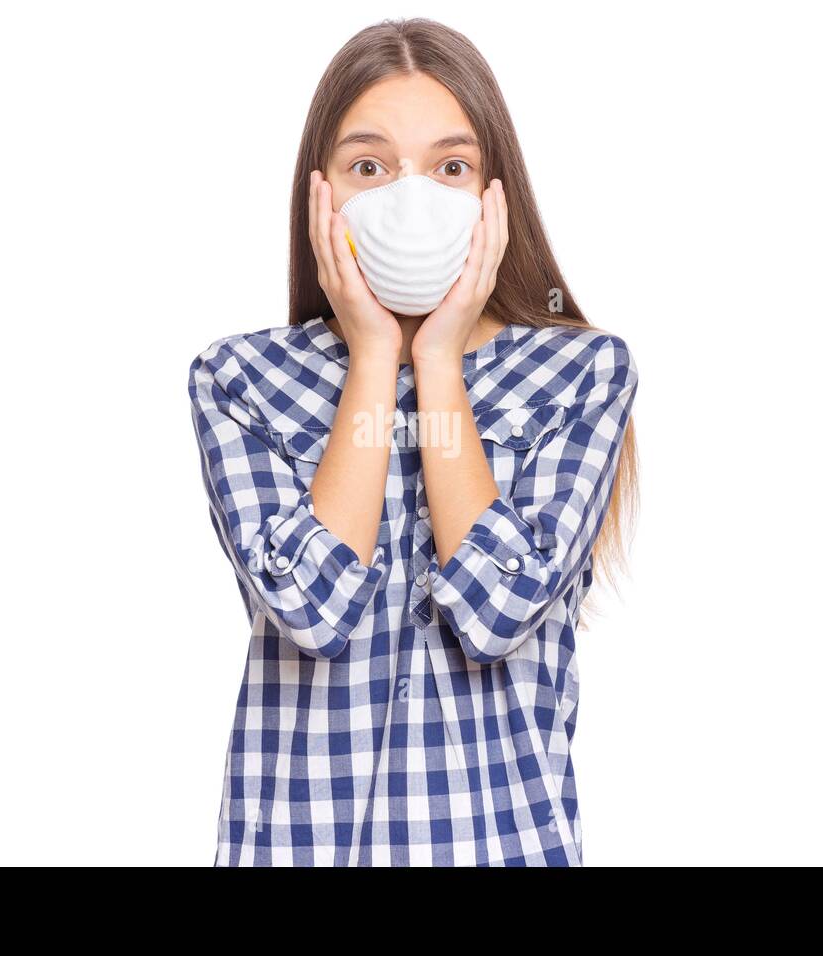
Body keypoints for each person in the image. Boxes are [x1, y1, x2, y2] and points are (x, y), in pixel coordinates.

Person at [188, 17, 639, 866]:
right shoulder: (239, 380)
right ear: (321, 194)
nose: (410, 195)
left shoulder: (581, 373)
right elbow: (312, 613)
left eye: (450, 167)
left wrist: (437, 356)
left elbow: (494, 610)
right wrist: (372, 351)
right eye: (370, 166)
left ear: (494, 196)